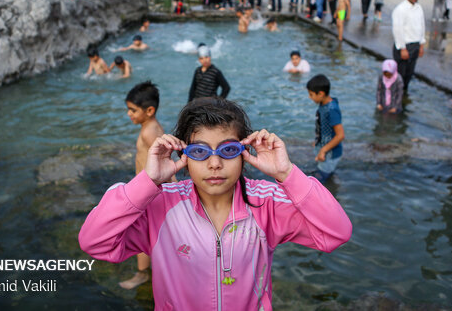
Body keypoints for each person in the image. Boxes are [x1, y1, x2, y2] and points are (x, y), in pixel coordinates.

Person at [79, 97, 352, 309]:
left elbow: (335, 233)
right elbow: (95, 242)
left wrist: (287, 174)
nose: (214, 163)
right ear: (182, 154)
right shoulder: (161, 205)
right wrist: (147, 183)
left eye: (228, 150)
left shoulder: (265, 203)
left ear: (244, 152)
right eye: (199, 151)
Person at [117, 81, 172, 290]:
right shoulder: (151, 127)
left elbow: (165, 163)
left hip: (149, 193)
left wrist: (172, 191)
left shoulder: (150, 132)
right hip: (149, 190)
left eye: (133, 110)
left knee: (140, 232)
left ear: (149, 111)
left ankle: (142, 274)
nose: (129, 114)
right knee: (150, 231)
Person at [307, 74, 345, 182]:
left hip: (330, 153)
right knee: (323, 172)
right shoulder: (323, 103)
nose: (310, 97)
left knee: (319, 180)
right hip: (325, 149)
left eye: (311, 94)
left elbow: (340, 135)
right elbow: (322, 125)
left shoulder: (332, 109)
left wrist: (323, 150)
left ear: (321, 93)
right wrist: (318, 141)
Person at [391, 0, 426, 92]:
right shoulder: (400, 9)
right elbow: (398, 29)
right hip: (404, 46)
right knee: (401, 74)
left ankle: (404, 94)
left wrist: (421, 44)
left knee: (409, 73)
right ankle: (396, 97)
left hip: (415, 44)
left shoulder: (419, 8)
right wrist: (402, 48)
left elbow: (422, 26)